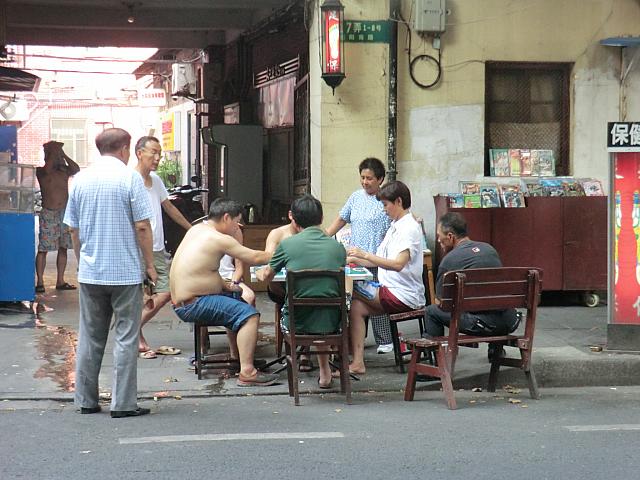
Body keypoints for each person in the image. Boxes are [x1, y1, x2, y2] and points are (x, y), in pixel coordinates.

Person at [64, 128, 156, 418]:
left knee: (90, 336)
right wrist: (150, 265)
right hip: (125, 273)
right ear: (124, 149)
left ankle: (85, 401)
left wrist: (82, 260)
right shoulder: (129, 178)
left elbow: (73, 228)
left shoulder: (80, 180)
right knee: (126, 337)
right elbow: (142, 226)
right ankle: (123, 404)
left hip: (91, 273)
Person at [170, 198, 278, 387]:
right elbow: (255, 257)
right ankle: (247, 372)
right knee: (250, 316)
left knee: (238, 298)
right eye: (237, 222)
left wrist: (226, 286)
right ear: (226, 218)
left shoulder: (196, 230)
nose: (239, 226)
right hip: (193, 303)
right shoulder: (218, 238)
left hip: (187, 299)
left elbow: (206, 269)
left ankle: (241, 357)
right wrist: (278, 247)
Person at [256, 194, 346, 389]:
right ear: (321, 219)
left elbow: (267, 276)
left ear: (294, 221)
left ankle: (301, 369)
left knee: (306, 306)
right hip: (332, 320)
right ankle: (325, 373)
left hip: (297, 320)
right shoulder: (338, 248)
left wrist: (261, 272)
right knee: (319, 306)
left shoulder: (287, 245)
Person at [347, 181, 425, 375]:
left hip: (401, 294)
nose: (384, 210)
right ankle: (357, 362)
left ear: (398, 201)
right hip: (389, 289)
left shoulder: (408, 228)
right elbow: (380, 260)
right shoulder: (395, 226)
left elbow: (398, 263)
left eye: (385, 205)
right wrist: (353, 259)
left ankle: (335, 349)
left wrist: (365, 255)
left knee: (346, 292)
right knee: (356, 307)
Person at [326, 157, 395, 354]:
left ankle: (385, 340)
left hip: (376, 257)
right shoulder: (355, 197)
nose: (365, 182)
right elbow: (342, 218)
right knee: (354, 299)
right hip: (354, 258)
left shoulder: (385, 200)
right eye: (362, 177)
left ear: (380, 179)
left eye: (370, 178)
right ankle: (355, 338)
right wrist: (324, 236)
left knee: (376, 297)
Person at [134, 136, 192, 359]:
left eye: (159, 153)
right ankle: (136, 337)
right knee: (139, 296)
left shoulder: (155, 180)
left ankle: (132, 330)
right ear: (140, 153)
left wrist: (190, 228)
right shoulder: (131, 181)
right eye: (153, 153)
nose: (157, 158)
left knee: (165, 292)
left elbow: (168, 207)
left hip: (157, 247)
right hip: (137, 247)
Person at [424, 212, 519, 338]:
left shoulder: (449, 260)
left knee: (431, 311)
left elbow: (441, 302)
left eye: (439, 236)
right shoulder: (490, 250)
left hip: (479, 324)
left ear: (451, 236)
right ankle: (496, 352)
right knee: (492, 301)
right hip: (508, 320)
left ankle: (435, 353)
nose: (438, 240)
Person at [35, 141, 80, 293]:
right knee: (43, 248)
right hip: (49, 212)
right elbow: (48, 169)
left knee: (64, 247)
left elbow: (76, 169)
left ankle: (60, 280)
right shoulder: (41, 171)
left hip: (64, 212)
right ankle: (40, 281)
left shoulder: (64, 170)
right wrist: (54, 152)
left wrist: (63, 154)